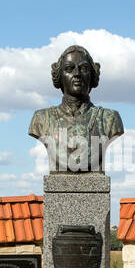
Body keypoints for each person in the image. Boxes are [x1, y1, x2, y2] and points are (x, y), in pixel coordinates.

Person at [29, 45, 124, 173]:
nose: (77, 74)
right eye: (69, 69)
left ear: (92, 76)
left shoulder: (110, 119)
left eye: (84, 68)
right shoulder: (41, 119)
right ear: (59, 76)